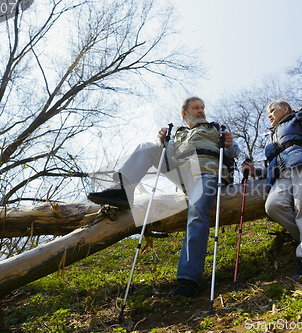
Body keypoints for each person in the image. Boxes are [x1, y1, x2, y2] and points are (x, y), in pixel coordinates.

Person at [87, 97, 240, 297]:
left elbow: (233, 151)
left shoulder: (216, 128)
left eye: (203, 107)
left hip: (207, 173)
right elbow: (170, 156)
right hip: (185, 173)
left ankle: (188, 279)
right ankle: (124, 190)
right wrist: (162, 142)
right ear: (185, 113)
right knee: (147, 147)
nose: (201, 110)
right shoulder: (178, 133)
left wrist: (229, 143)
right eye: (196, 108)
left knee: (197, 211)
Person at [242, 99, 302, 281]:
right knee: (273, 206)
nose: (269, 115)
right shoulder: (271, 136)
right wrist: (254, 172)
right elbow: (271, 167)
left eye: (272, 111)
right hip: (281, 175)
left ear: (285, 109)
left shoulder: (298, 119)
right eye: (268, 114)